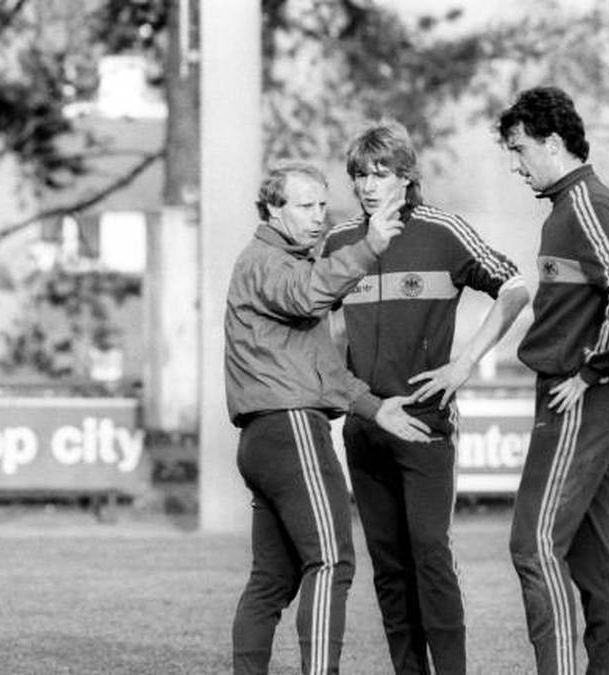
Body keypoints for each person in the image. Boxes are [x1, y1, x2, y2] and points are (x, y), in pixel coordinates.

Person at [322, 121, 529, 675]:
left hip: (425, 424)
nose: (367, 185)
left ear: (406, 176)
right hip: (366, 425)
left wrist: (463, 365)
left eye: (380, 173)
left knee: (430, 557)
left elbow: (513, 289)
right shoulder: (341, 242)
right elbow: (322, 327)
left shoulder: (443, 231)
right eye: (359, 175)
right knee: (388, 566)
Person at [226, 161, 432, 675]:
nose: (319, 217)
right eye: (305, 205)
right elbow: (310, 293)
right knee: (332, 561)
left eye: (322, 205)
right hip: (291, 430)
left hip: (264, 438)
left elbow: (323, 369)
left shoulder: (287, 263)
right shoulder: (268, 264)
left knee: (271, 581)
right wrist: (370, 246)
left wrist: (375, 407)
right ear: (273, 209)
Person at [496, 86, 609, 674]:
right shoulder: (567, 207)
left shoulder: (585, 202)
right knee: (593, 562)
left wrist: (592, 370)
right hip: (583, 395)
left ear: (553, 143)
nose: (516, 165)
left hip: (581, 396)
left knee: (532, 544)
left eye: (520, 150)